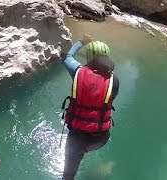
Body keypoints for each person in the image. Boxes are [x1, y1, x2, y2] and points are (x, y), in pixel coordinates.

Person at [61, 34, 119, 180]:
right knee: (85, 149)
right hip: (100, 138)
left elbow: (68, 57)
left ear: (89, 57)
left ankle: (80, 155)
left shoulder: (77, 72)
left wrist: (81, 42)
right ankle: (89, 156)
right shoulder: (114, 81)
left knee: (68, 175)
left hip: (78, 138)